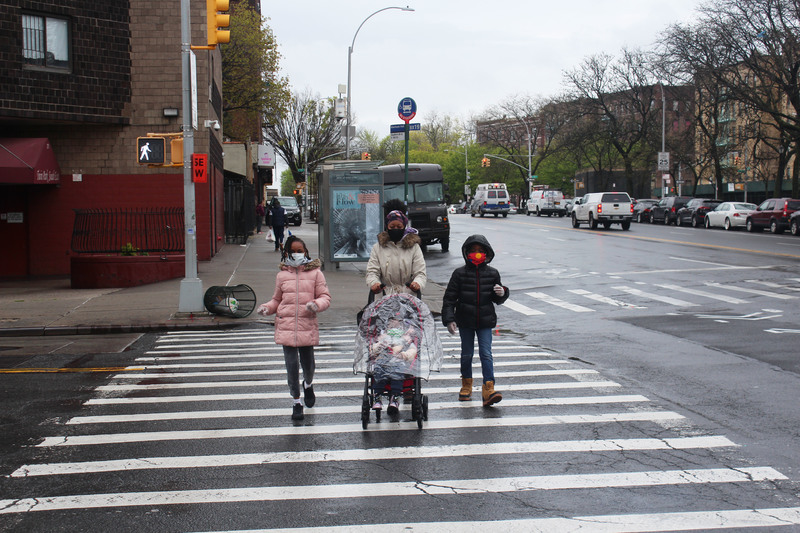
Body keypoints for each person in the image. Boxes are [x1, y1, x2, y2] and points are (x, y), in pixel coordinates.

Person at [257, 235, 331, 421]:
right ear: (286, 253)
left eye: (300, 251)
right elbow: (277, 300)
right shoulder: (282, 275)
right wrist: (267, 308)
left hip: (306, 325)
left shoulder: (316, 273)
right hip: (286, 326)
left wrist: (316, 304)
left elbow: (325, 297)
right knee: (291, 367)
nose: (297, 254)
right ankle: (296, 402)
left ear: (306, 252)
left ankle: (308, 384)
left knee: (309, 365)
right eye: (293, 251)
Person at [441, 234, 509, 407]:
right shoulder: (459, 274)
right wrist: (449, 320)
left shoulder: (493, 273)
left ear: (486, 253)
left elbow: (497, 297)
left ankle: (489, 388)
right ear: (467, 253)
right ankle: (466, 386)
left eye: (480, 251)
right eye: (473, 251)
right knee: (467, 354)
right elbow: (449, 299)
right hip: (465, 321)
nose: (477, 254)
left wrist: (502, 293)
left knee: (486, 354)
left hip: (485, 321)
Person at [366, 202, 426, 296]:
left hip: (409, 297)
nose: (395, 229)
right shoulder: (377, 248)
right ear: (387, 227)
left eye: (399, 227)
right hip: (384, 298)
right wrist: (374, 283)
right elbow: (372, 271)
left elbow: (420, 272)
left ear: (404, 227)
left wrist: (417, 283)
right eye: (392, 227)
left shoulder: (414, 248)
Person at [369, 316, 418, 416]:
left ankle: (395, 396)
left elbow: (412, 351)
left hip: (398, 361)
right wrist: (380, 346)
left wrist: (403, 355)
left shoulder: (406, 339)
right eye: (391, 322)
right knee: (378, 368)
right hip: (383, 361)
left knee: (398, 370)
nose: (393, 324)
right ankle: (377, 396)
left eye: (397, 322)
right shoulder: (383, 338)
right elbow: (373, 350)